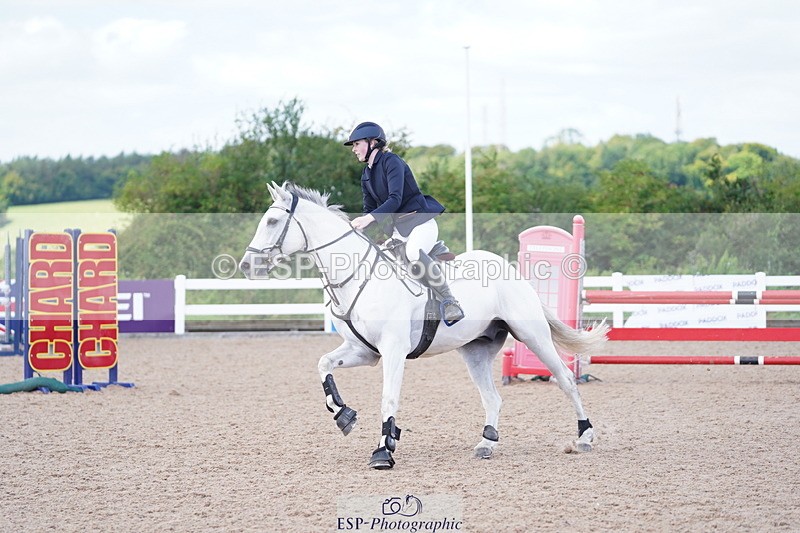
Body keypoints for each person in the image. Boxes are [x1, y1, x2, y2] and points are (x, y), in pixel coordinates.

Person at [344, 121, 465, 326]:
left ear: (373, 142)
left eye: (356, 144)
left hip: (421, 223)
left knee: (412, 253)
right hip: (399, 231)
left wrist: (368, 219)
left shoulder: (392, 162)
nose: (354, 149)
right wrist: (361, 232)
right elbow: (369, 209)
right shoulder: (366, 174)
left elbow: (395, 199)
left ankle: (449, 300)